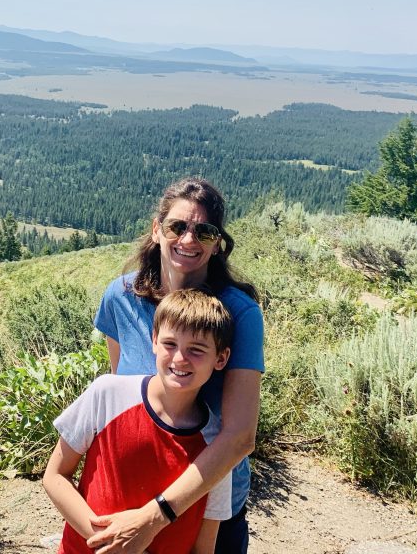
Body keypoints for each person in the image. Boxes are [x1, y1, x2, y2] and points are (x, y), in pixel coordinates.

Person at [90, 177, 264, 554]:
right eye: (177, 226)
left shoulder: (239, 313)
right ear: (157, 230)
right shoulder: (120, 297)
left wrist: (154, 517)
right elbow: (123, 398)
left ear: (217, 243)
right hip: (129, 501)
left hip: (208, 513)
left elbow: (239, 437)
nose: (188, 240)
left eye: (204, 231)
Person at [43, 289, 236, 554]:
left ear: (221, 358)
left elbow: (203, 546)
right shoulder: (108, 394)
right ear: (154, 340)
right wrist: (112, 543)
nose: (180, 358)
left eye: (197, 349)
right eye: (170, 344)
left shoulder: (217, 447)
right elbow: (54, 476)